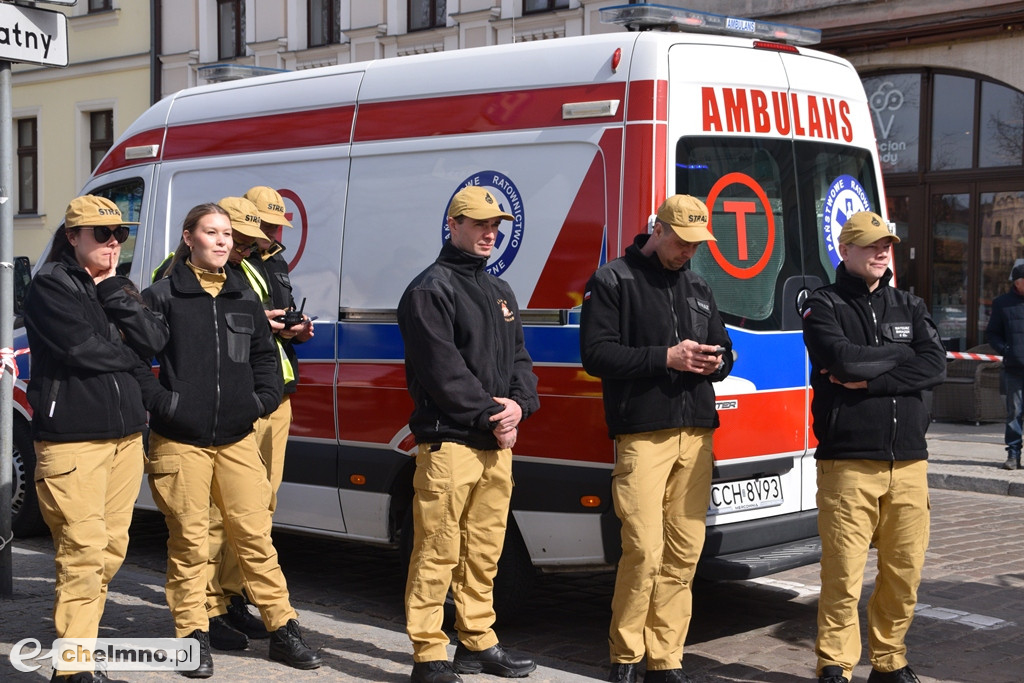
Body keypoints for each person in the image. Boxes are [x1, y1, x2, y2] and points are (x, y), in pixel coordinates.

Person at [138, 203, 321, 678]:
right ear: (189, 237)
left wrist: (260, 402)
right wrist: (166, 405)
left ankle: (283, 630)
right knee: (191, 543)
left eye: (226, 234)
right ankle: (192, 638)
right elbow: (133, 360)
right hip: (180, 440)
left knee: (256, 536)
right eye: (211, 233)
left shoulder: (242, 296)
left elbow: (264, 356)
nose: (222, 242)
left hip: (237, 437)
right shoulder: (162, 295)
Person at [579, 194, 732, 683]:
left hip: (697, 434)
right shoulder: (613, 280)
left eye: (696, 244)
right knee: (643, 549)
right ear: (659, 231)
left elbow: (726, 350)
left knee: (685, 551)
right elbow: (597, 355)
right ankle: (625, 656)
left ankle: (666, 659)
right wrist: (665, 358)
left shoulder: (700, 286)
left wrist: (718, 362)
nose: (689, 251)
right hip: (643, 434)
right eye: (682, 242)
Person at [22, 195, 169, 683]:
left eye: (119, 235)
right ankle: (75, 663)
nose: (113, 244)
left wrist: (111, 295)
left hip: (126, 435)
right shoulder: (48, 286)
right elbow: (82, 351)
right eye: (101, 235)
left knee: (110, 549)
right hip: (73, 440)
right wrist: (127, 354)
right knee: (83, 548)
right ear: (72, 237)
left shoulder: (120, 286)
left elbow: (153, 340)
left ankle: (77, 639)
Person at [397, 185, 540, 683]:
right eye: (480, 224)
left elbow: (520, 359)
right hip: (450, 441)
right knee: (437, 550)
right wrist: (492, 415)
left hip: (492, 443)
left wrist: (520, 406)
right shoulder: (428, 290)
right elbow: (442, 371)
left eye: (495, 226)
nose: (490, 234)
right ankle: (429, 653)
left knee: (483, 551)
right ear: (453, 225)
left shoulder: (499, 291)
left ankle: (477, 641)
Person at [801, 211, 946, 683]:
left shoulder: (910, 304)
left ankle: (890, 660)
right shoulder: (822, 305)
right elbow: (841, 357)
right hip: (848, 460)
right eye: (870, 245)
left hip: (908, 461)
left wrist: (870, 380)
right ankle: (835, 664)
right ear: (845, 250)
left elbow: (935, 366)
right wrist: (904, 358)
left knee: (903, 574)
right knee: (842, 576)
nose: (882, 252)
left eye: (887, 244)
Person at [200, 195, 289, 650]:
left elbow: (256, 341)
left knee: (257, 510)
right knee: (218, 514)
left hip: (264, 398)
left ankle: (231, 598)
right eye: (246, 238)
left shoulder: (254, 265)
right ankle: (210, 607)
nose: (253, 245)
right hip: (228, 408)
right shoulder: (183, 274)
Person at [984, 262, 1024, 470]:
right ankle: (1013, 454)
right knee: (1014, 413)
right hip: (1014, 368)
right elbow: (992, 333)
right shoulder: (1003, 303)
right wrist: (1006, 349)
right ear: (1017, 283)